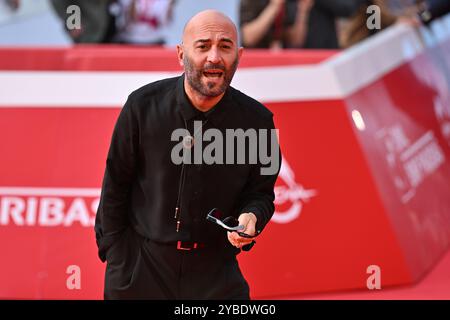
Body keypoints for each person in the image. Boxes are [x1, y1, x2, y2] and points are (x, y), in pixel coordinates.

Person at [94, 10, 281, 299]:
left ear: (239, 55)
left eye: (225, 46)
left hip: (216, 274)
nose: (215, 57)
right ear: (181, 54)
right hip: (141, 270)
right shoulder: (141, 107)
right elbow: (116, 185)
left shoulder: (257, 122)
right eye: (203, 46)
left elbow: (261, 194)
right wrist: (116, 258)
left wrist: (252, 217)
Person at [239, 0, 314, 49]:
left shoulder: (288, 4)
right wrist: (274, 6)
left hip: (279, 63)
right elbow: (247, 38)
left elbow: (296, 41)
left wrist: (303, 11)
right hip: (253, 61)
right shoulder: (251, 2)